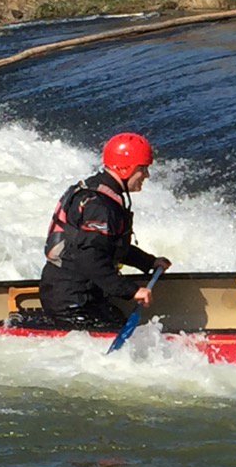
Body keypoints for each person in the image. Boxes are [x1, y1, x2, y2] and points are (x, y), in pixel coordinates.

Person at [36, 132, 171, 328]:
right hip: (71, 301)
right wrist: (131, 291)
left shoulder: (101, 194)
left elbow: (109, 246)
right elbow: (90, 258)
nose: (147, 176)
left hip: (82, 294)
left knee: (119, 320)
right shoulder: (100, 206)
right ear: (127, 169)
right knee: (120, 331)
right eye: (143, 169)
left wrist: (149, 261)